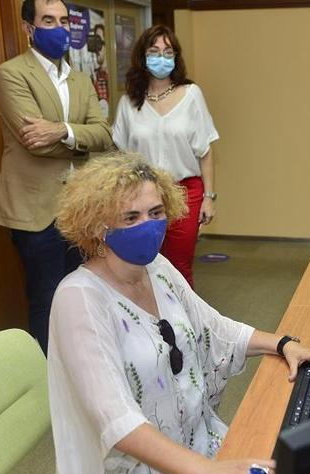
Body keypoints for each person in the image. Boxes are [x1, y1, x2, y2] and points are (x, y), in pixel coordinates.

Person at [49, 152, 310, 474]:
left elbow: (214, 329)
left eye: (156, 213)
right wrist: (205, 473)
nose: (148, 225)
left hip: (196, 447)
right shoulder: (79, 298)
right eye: (130, 217)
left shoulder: (158, 269)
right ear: (97, 226)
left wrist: (283, 344)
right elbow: (116, 421)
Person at [0, 0, 113, 354]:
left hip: (79, 208)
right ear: (30, 28)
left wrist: (59, 129)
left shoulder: (79, 78)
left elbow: (104, 135)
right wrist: (78, 137)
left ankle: (85, 367)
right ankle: (52, 380)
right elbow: (34, 143)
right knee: (47, 299)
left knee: (84, 291)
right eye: (49, 20)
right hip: (36, 210)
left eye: (63, 20)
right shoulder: (11, 73)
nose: (59, 28)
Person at [112, 25, 217, 287]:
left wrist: (209, 198)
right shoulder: (129, 103)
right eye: (154, 51)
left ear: (176, 57)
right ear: (142, 56)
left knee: (179, 266)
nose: (161, 57)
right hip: (140, 193)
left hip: (185, 193)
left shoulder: (192, 95)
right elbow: (120, 157)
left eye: (168, 52)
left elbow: (205, 152)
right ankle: (150, 323)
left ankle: (184, 325)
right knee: (144, 262)